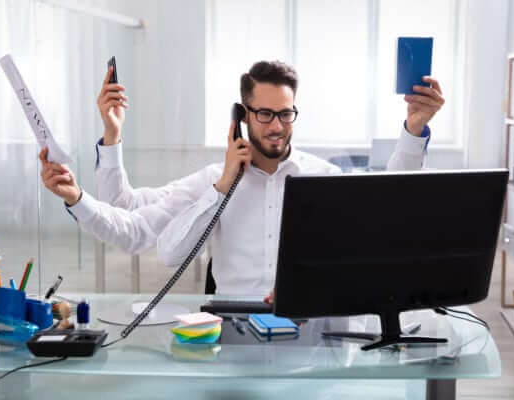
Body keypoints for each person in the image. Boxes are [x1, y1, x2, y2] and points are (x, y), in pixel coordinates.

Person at [40, 60, 444, 299]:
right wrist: (78, 195)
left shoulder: (325, 179)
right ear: (243, 116)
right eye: (264, 114)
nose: (276, 126)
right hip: (232, 335)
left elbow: (389, 210)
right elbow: (132, 225)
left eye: (285, 114)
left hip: (309, 335)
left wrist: (412, 132)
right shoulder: (213, 181)